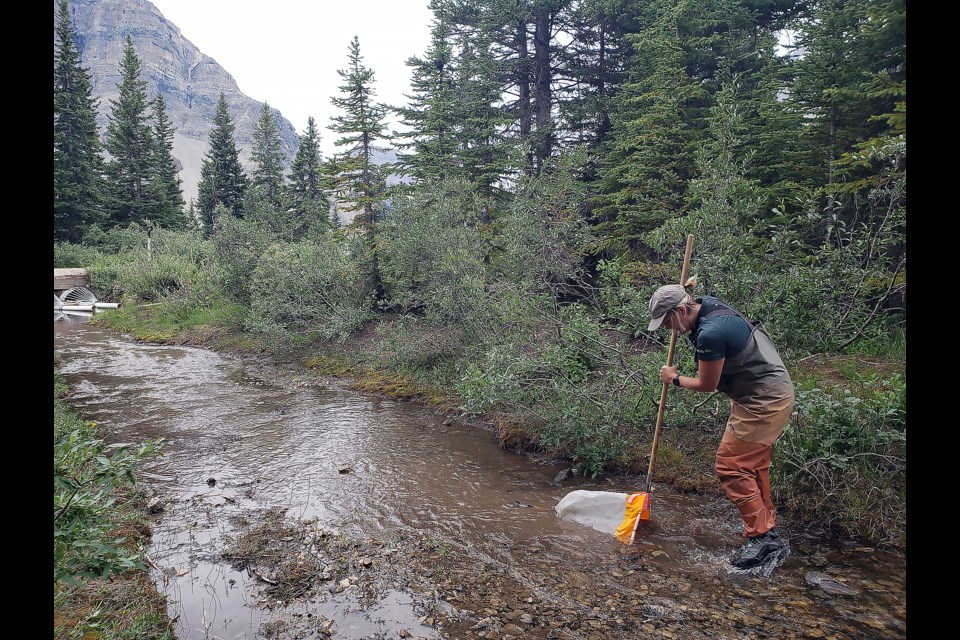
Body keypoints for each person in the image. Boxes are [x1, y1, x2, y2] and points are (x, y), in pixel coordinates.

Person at [647, 284, 795, 569]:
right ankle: (766, 527)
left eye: (667, 322)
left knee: (731, 465)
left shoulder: (711, 333)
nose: (669, 329)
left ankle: (762, 537)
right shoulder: (705, 306)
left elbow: (706, 384)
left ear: (680, 310)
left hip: (763, 399)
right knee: (752, 463)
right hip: (765, 391)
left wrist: (673, 378)